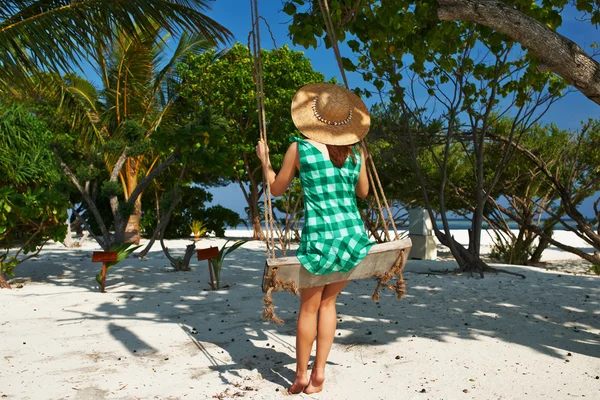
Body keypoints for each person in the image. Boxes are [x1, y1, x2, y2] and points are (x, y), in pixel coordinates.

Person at [256, 83, 374, 395]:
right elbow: (363, 193)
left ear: (313, 118)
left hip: (321, 239)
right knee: (329, 303)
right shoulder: (355, 153)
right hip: (352, 237)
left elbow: (276, 189)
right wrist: (358, 163)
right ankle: (318, 373)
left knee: (309, 309)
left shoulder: (301, 149)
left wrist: (265, 161)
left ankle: (300, 376)